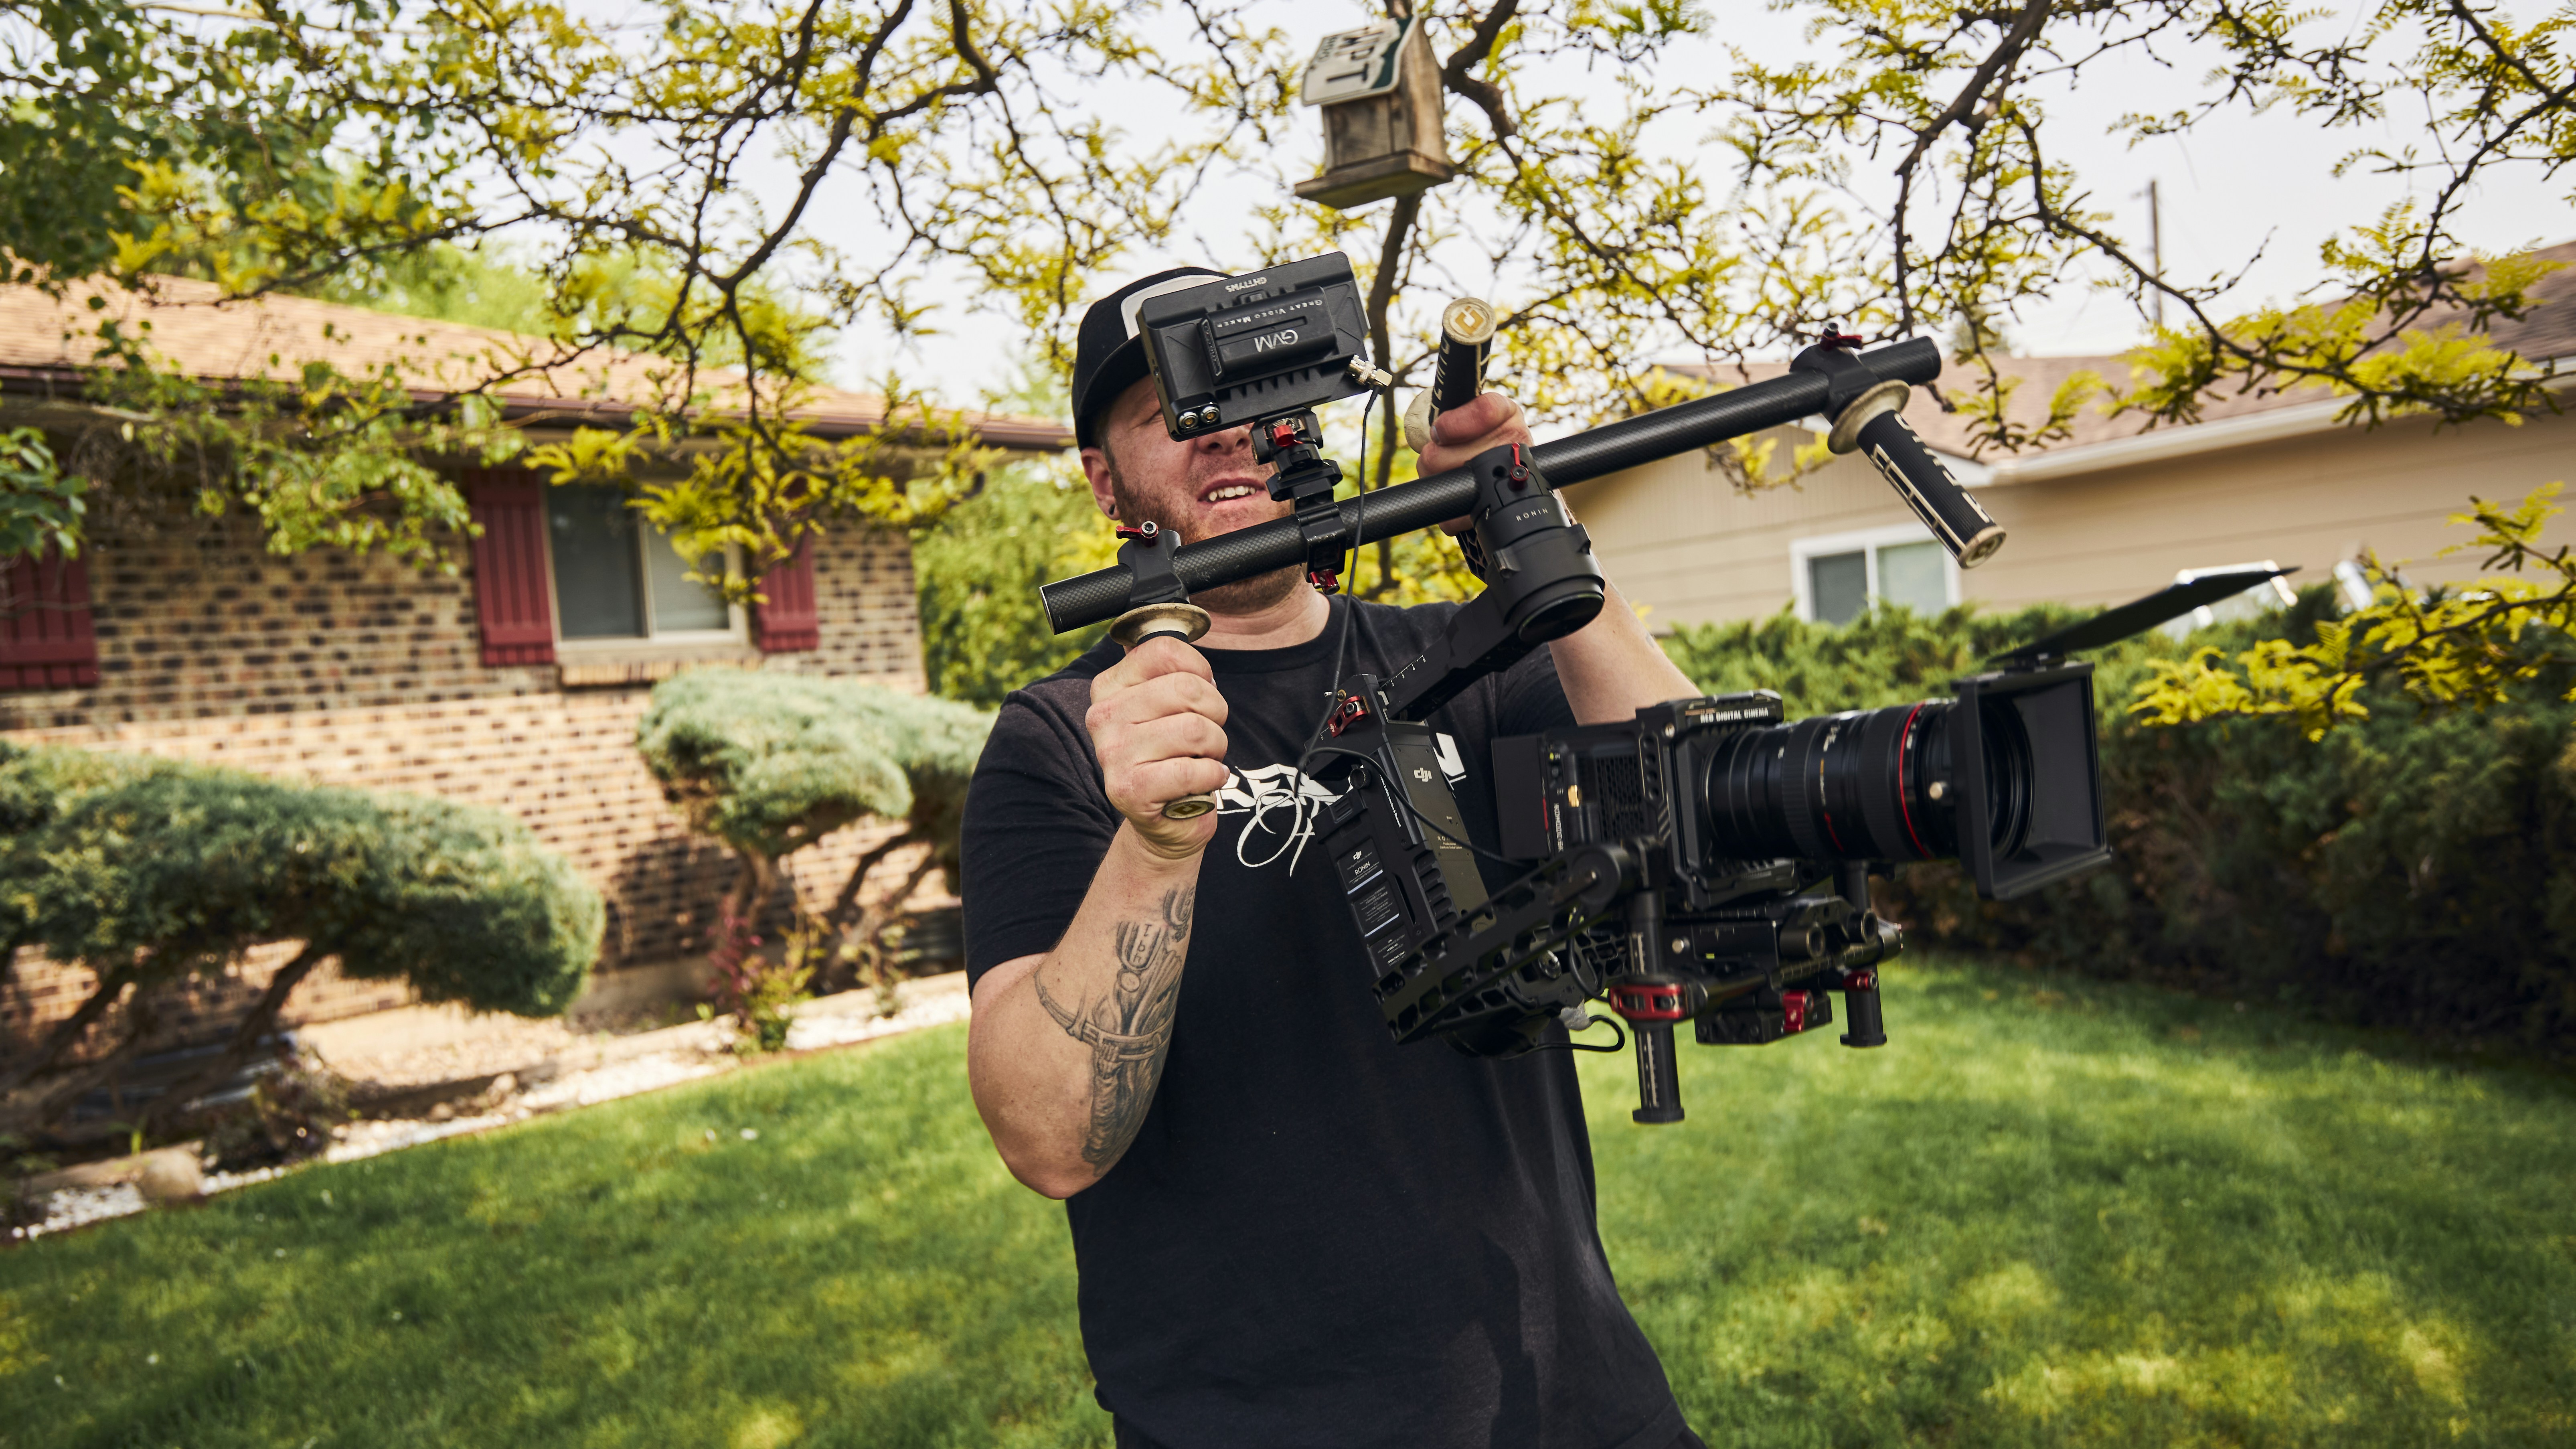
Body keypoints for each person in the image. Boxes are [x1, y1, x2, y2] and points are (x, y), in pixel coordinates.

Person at [961, 266, 1709, 1449]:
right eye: (1177, 410)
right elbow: (1049, 1140)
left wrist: (1534, 537)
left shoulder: (1475, 661)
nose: (1228, 433)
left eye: (1256, 392)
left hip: (1574, 1400)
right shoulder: (1062, 739)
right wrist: (1156, 845)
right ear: (1107, 482)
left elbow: (1700, 812)